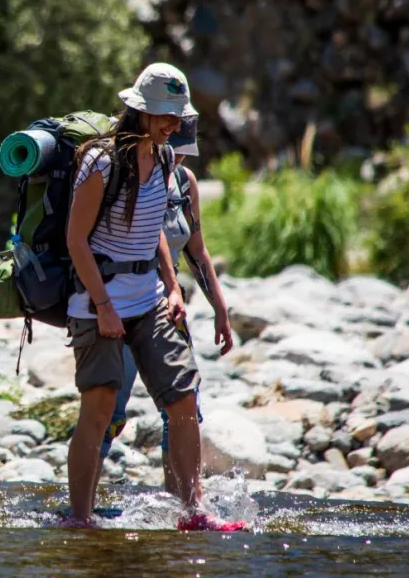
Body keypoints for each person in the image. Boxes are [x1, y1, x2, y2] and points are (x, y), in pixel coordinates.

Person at [64, 63, 246, 531]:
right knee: (101, 407)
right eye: (164, 115)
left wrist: (170, 285)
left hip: (148, 302)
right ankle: (80, 519)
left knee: (183, 397)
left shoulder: (166, 159)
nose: (172, 123)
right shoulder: (100, 161)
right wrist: (104, 307)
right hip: (98, 301)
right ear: (138, 110)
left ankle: (193, 512)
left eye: (176, 115)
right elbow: (76, 240)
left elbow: (155, 233)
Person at [94, 114, 235, 501]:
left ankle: (184, 506)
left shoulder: (184, 184)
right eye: (174, 154)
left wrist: (221, 311)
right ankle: (81, 506)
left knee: (183, 408)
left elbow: (197, 251)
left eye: (184, 156)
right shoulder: (130, 171)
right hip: (124, 300)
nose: (177, 163)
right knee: (109, 411)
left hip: (166, 308)